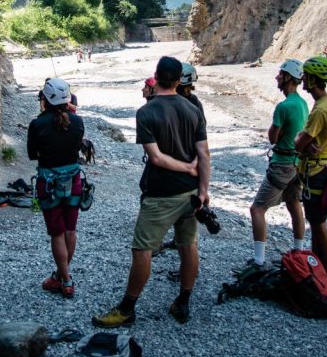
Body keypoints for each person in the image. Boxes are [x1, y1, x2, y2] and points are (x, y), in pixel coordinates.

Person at [92, 56, 211, 327]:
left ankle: (127, 309)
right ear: (179, 79)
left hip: (161, 193)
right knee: (188, 244)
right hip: (191, 193)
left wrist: (187, 169)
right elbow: (204, 153)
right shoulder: (194, 109)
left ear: (156, 77)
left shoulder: (146, 112)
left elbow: (156, 158)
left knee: (142, 250)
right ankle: (183, 302)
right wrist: (203, 189)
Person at [247, 59, 309, 269]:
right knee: (294, 205)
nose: (277, 77)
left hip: (281, 163)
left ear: (288, 78)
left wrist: (275, 132)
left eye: (280, 74)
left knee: (257, 209)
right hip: (297, 163)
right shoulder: (302, 103)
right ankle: (299, 249)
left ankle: (258, 259)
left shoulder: (283, 107)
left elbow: (273, 137)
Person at [28, 78, 86, 298]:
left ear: (45, 99)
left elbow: (33, 154)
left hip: (49, 181)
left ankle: (65, 279)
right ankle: (61, 276)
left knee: (57, 233)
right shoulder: (77, 121)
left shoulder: (37, 124)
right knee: (70, 230)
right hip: (74, 179)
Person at [294, 55, 327, 277]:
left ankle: (325, 274)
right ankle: (320, 269)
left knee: (319, 224)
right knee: (316, 221)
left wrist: (299, 142)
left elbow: (300, 142)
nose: (302, 78)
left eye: (306, 75)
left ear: (312, 79)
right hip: (319, 169)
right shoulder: (325, 105)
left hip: (316, 172)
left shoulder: (321, 109)